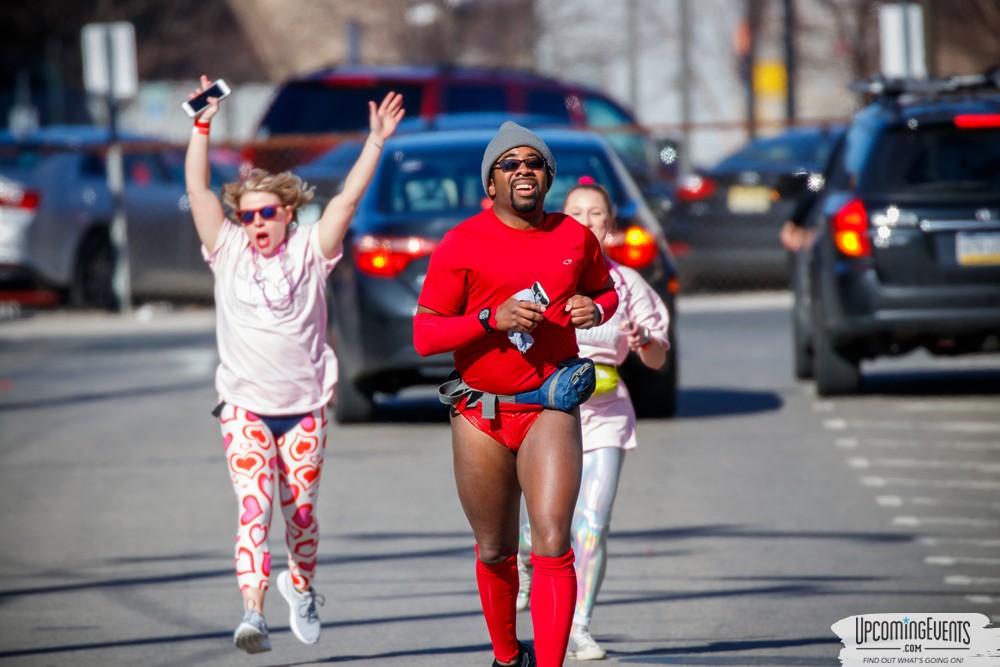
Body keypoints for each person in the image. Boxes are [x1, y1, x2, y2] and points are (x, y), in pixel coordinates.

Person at [183, 74, 404, 654]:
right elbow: (200, 191)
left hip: (304, 409)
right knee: (254, 508)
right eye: (249, 215)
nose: (256, 223)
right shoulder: (226, 249)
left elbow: (348, 201)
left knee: (300, 514)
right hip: (245, 408)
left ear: (288, 214)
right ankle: (253, 614)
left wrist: (375, 142)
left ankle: (301, 587)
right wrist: (201, 124)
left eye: (267, 214)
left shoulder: (311, 249)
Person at [413, 121, 620, 667]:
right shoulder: (462, 243)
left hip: (549, 402)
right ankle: (508, 657)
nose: (523, 170)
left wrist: (596, 309)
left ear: (547, 177)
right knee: (495, 549)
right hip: (480, 413)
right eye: (510, 164)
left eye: (534, 162)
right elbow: (425, 333)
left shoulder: (574, 236)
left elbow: (605, 289)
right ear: (492, 183)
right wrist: (489, 318)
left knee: (552, 539)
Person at [515, 181, 671, 661]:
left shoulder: (627, 284)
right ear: (560, 221)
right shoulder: (541, 278)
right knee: (548, 523)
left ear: (609, 226)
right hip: (552, 413)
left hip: (606, 414)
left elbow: (659, 359)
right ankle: (523, 553)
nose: (585, 220)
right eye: (576, 212)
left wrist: (644, 339)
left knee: (593, 523)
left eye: (596, 214)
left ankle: (579, 626)